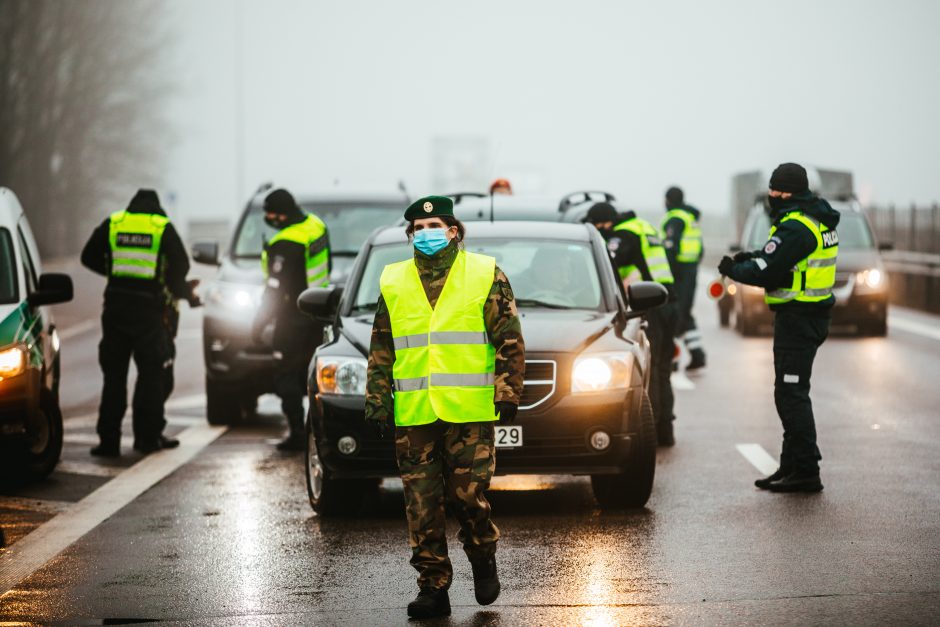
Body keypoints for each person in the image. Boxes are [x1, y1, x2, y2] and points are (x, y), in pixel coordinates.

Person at [365, 195, 525, 619]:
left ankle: (482, 551)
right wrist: (378, 400)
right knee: (421, 502)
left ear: (454, 231)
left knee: (467, 496)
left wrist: (507, 392)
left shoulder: (484, 273)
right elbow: (382, 344)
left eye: (434, 225)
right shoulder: (394, 280)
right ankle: (433, 587)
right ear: (410, 235)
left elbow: (508, 335)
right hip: (416, 412)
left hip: (469, 411)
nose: (426, 233)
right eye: (418, 228)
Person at [718, 163, 839, 493]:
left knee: (791, 394)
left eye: (775, 190)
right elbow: (781, 261)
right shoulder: (812, 219)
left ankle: (806, 470)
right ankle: (790, 466)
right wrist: (749, 256)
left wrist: (734, 268)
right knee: (790, 392)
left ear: (787, 192)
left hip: (799, 319)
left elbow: (767, 272)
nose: (771, 196)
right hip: (807, 315)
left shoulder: (796, 227)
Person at [81, 189, 194, 456]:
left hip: (116, 309)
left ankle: (108, 441)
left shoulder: (115, 222)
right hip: (148, 312)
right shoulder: (160, 227)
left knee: (114, 378)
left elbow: (88, 256)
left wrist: (116, 272)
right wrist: (164, 280)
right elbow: (183, 264)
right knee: (151, 376)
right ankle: (147, 438)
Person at [585, 202, 678, 446]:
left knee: (652, 365)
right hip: (668, 300)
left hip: (653, 305)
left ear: (603, 223)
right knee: (663, 368)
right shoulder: (642, 226)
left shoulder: (622, 235)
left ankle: (653, 432)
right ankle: (665, 428)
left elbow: (606, 264)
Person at [251, 188, 330, 451]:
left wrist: (260, 322)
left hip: (291, 318)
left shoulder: (285, 242)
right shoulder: (316, 226)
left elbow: (275, 290)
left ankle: (297, 432)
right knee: (314, 374)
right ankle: (320, 429)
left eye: (270, 213)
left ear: (281, 214)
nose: (269, 218)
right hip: (318, 313)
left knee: (286, 375)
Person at [661, 186, 706, 370]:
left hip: (678, 273)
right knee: (685, 313)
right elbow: (700, 249)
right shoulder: (690, 218)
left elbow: (671, 248)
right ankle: (697, 355)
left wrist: (665, 276)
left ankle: (673, 359)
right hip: (691, 269)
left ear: (668, 200)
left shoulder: (676, 219)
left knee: (675, 314)